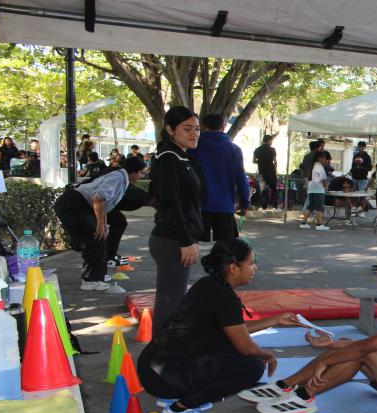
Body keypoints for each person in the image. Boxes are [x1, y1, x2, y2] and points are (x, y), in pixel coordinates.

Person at [238, 260, 377, 413]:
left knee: (361, 352)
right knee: (355, 350)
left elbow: (368, 348)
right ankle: (286, 385)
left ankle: (304, 395)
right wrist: (333, 344)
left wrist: (325, 361)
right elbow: (373, 344)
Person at [139, 239, 290, 413]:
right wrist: (266, 354)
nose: (255, 267)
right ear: (234, 268)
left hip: (152, 368)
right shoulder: (225, 298)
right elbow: (247, 347)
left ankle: (181, 394)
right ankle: (179, 410)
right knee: (253, 366)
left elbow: (236, 330)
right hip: (164, 379)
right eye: (251, 263)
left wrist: (276, 320)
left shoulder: (207, 285)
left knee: (231, 349)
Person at [53, 156, 148, 291]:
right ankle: (91, 280)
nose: (142, 176)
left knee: (99, 236)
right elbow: (98, 198)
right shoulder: (118, 178)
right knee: (94, 237)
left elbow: (105, 203)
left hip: (80, 205)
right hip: (73, 204)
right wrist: (99, 223)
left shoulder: (122, 178)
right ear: (133, 172)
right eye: (141, 173)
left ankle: (97, 275)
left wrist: (102, 223)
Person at [149, 106, 203, 333]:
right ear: (170, 130)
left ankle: (167, 353)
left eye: (197, 129)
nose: (194, 134)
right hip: (172, 239)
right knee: (170, 301)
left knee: (174, 298)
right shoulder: (168, 158)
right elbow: (170, 204)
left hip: (177, 237)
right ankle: (161, 357)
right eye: (187, 128)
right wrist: (185, 240)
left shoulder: (181, 157)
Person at [192, 114, 250, 243]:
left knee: (190, 244)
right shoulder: (234, 149)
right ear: (223, 127)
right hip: (224, 205)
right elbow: (241, 178)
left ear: (203, 127)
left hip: (198, 205)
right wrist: (244, 202)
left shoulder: (194, 147)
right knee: (226, 247)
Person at [299, 150, 332, 231]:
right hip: (318, 188)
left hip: (311, 188)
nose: (325, 160)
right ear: (320, 158)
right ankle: (319, 224)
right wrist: (326, 188)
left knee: (310, 206)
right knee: (319, 207)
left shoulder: (313, 165)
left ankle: (304, 223)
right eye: (324, 158)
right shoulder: (319, 167)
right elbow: (323, 180)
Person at [252, 134, 277, 210]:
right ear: (269, 140)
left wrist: (260, 162)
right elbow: (275, 161)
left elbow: (253, 161)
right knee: (273, 189)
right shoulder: (272, 149)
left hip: (261, 173)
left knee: (262, 189)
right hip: (271, 172)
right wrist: (275, 170)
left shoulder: (257, 150)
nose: (272, 142)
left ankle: (259, 205)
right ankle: (271, 205)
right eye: (271, 140)